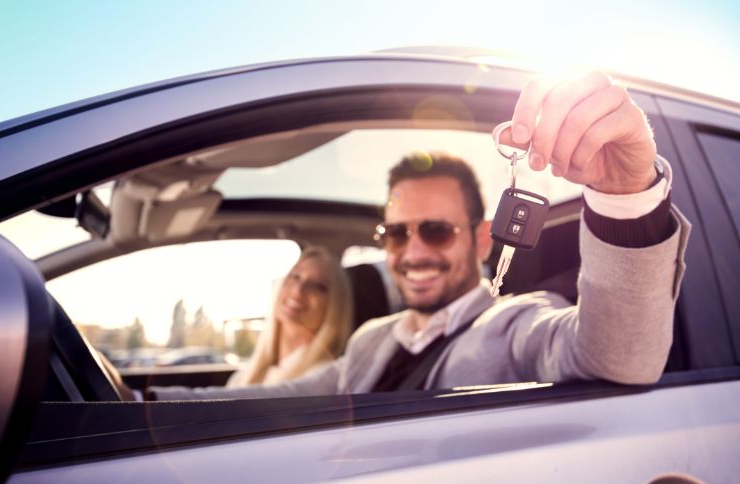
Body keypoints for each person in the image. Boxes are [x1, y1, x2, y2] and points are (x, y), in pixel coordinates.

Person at [146, 70, 691, 400]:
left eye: (435, 230)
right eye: (395, 233)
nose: (413, 251)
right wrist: (137, 399)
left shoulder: (514, 327)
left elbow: (618, 359)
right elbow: (276, 399)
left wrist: (624, 193)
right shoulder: (370, 341)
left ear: (482, 240)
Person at [227, 246, 353, 387]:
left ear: (335, 306)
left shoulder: (323, 377)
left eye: (318, 286)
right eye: (296, 276)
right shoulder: (243, 377)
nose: (299, 289)